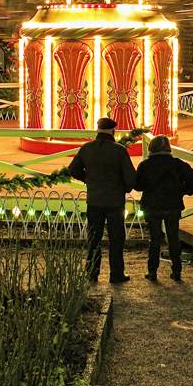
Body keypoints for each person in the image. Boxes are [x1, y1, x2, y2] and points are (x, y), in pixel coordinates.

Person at [67, 117, 137, 283]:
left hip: (94, 201)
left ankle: (92, 272)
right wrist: (125, 188)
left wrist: (87, 179)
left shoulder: (87, 148)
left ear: (97, 130)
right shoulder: (119, 150)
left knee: (94, 238)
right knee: (116, 239)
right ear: (113, 131)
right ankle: (116, 273)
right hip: (115, 202)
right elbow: (130, 177)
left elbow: (73, 169)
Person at [134, 135, 193, 282]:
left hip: (152, 205)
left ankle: (152, 271)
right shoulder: (177, 164)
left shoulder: (145, 165)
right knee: (173, 237)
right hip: (172, 204)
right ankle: (176, 271)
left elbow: (138, 185)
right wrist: (185, 190)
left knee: (155, 238)